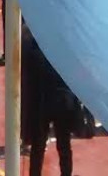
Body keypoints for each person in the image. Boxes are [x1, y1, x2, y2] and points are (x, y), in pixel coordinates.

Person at [23, 26, 81, 176]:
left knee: (38, 145)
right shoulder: (67, 51)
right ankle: (66, 173)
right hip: (62, 102)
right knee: (64, 143)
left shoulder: (34, 49)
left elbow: (28, 78)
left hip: (41, 103)